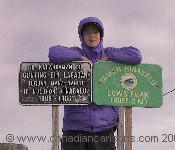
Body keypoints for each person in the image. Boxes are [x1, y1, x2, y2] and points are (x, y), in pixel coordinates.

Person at [48, 17, 142, 150]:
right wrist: (80, 58)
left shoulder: (108, 52)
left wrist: (109, 58)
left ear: (101, 35)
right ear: (82, 36)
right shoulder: (76, 52)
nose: (92, 36)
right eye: (87, 32)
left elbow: (136, 56)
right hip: (74, 128)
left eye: (95, 32)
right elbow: (53, 53)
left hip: (104, 129)